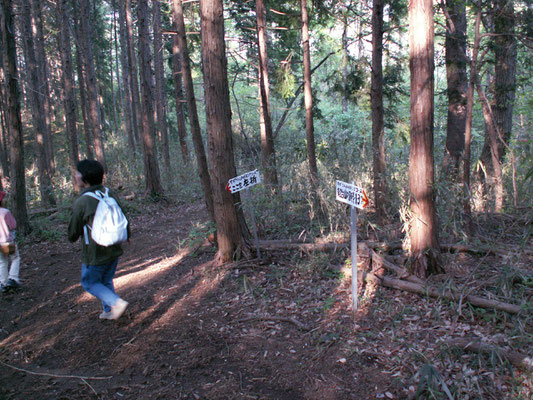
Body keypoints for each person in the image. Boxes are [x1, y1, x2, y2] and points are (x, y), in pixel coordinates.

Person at [68, 160, 129, 320]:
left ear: (85, 177)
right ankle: (109, 310)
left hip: (95, 252)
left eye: (78, 173)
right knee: (106, 279)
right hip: (114, 247)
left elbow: (73, 231)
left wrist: (72, 236)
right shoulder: (109, 193)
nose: (75, 176)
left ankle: (115, 303)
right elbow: (123, 215)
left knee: (89, 282)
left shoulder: (82, 201)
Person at [0, 190, 21, 293]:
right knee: (15, 258)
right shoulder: (5, 212)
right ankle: (12, 278)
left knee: (2, 261)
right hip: (7, 241)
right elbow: (13, 225)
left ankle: (3, 283)